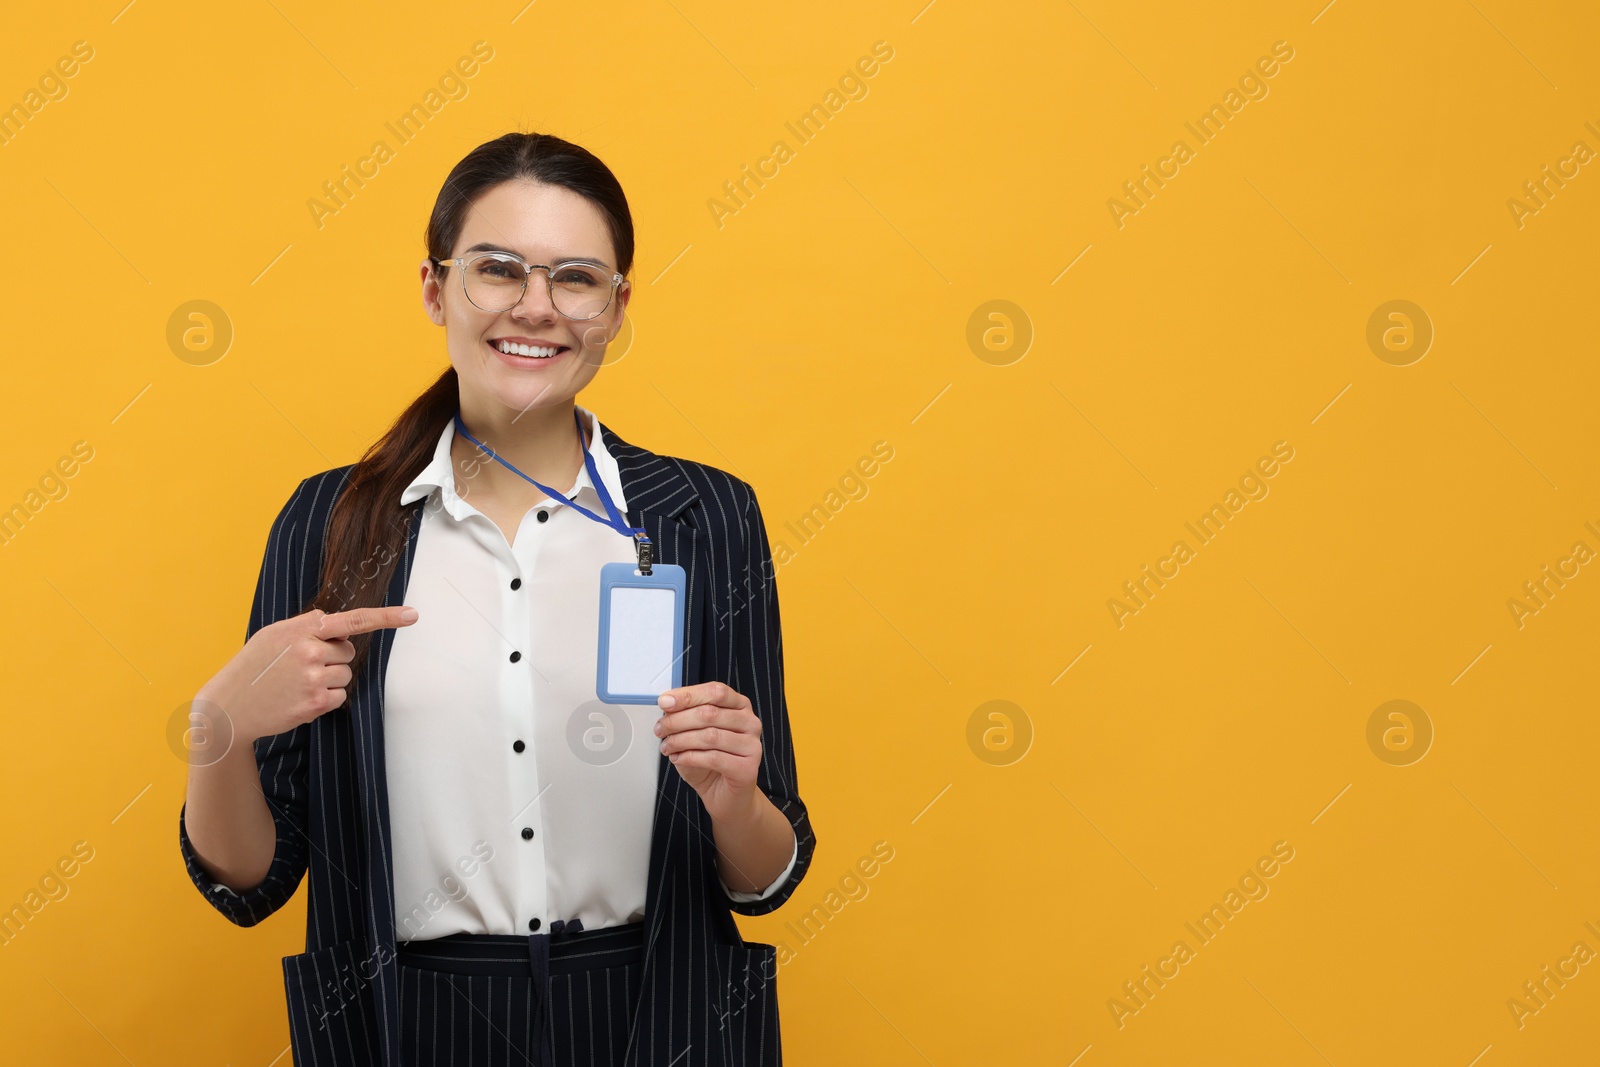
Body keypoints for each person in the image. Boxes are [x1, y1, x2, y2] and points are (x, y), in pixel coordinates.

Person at [178, 131, 815, 1067]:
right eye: (499, 269)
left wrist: (733, 801)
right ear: (437, 288)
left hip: (658, 1014)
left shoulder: (706, 517)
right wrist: (217, 728)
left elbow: (767, 876)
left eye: (576, 278)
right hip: (408, 1024)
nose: (536, 307)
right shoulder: (331, 526)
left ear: (617, 306)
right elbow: (252, 880)